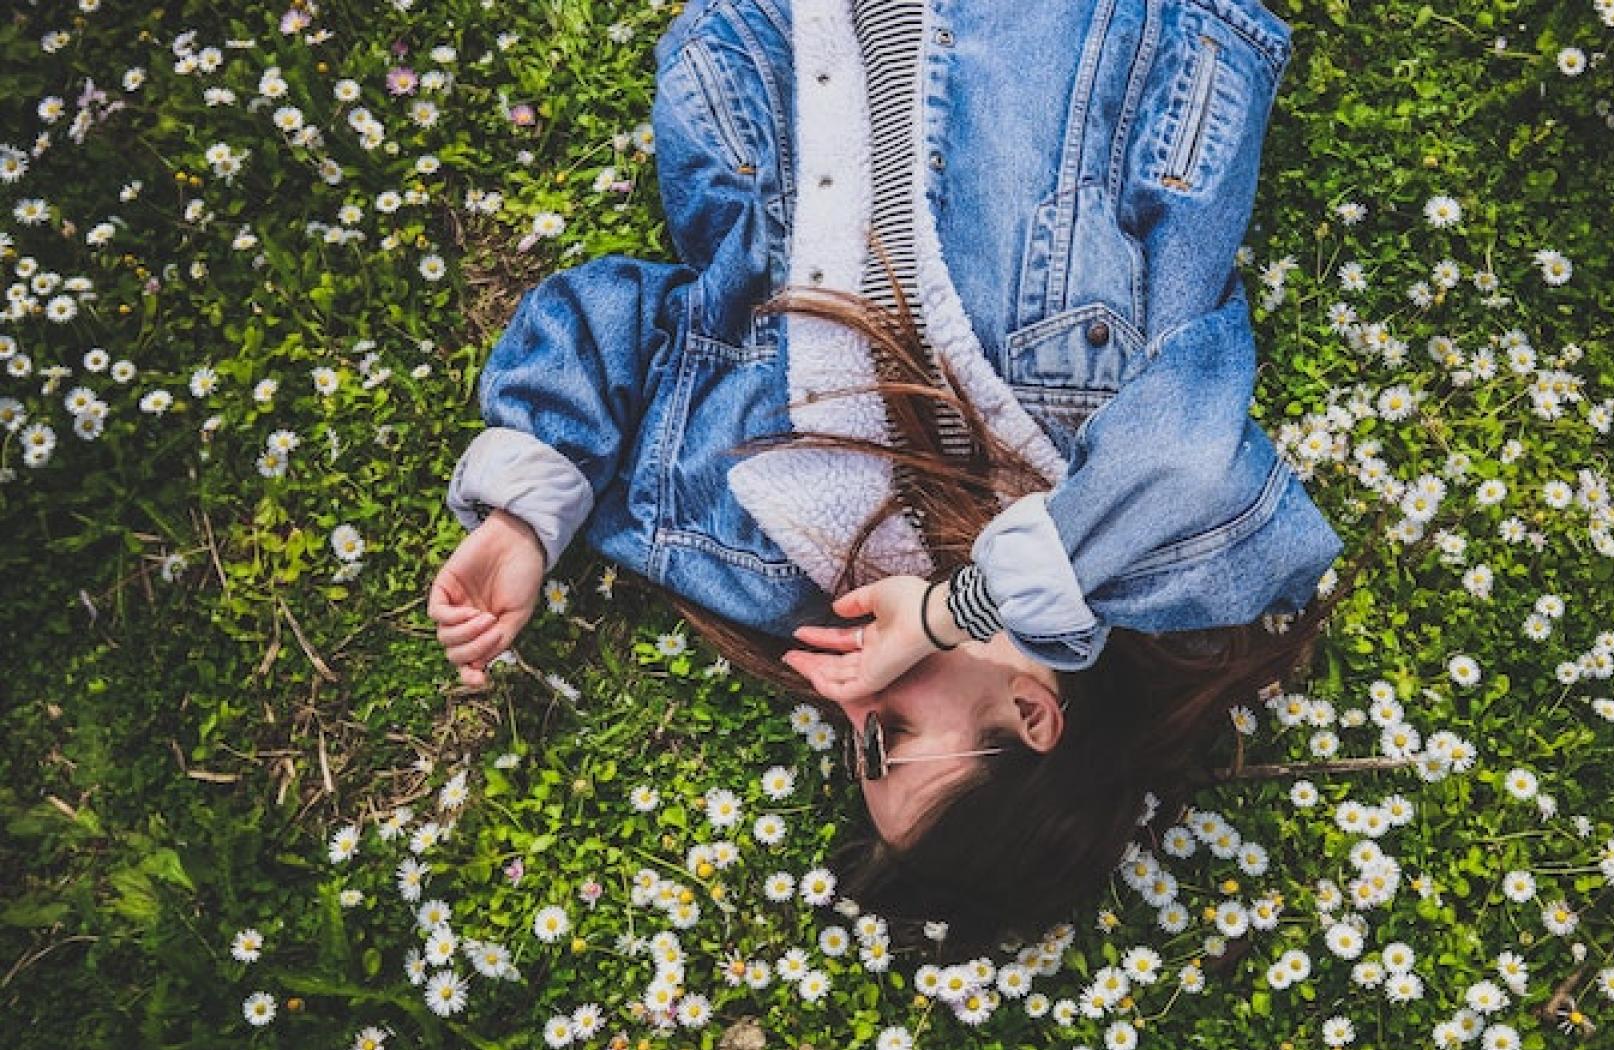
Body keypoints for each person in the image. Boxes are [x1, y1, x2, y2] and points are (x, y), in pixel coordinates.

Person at [429, 0, 1347, 950]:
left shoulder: (773, 545)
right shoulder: (1149, 549)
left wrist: (522, 521)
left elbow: (623, 322)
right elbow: (1198, 470)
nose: (845, 704)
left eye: (850, 746)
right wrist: (959, 611)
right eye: (888, 740)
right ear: (1032, 713)